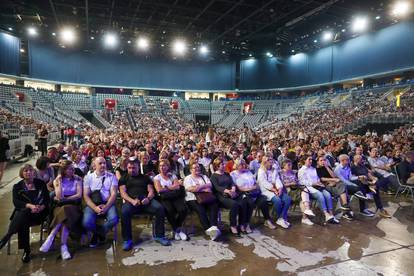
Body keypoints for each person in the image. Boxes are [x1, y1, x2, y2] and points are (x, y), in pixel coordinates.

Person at [0, 164, 49, 263]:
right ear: (22, 173)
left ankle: (8, 237)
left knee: (22, 216)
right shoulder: (17, 186)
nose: (28, 172)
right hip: (25, 213)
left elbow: (47, 199)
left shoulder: (40, 183)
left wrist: (41, 207)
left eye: (30, 170)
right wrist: (30, 206)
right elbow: (16, 202)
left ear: (34, 172)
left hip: (39, 213)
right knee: (24, 217)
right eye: (25, 171)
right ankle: (27, 251)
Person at [119, 158, 171, 251]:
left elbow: (151, 191)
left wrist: (148, 198)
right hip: (132, 202)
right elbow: (123, 193)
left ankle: (159, 236)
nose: (131, 170)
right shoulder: (123, 178)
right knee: (124, 212)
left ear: (138, 167)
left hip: (146, 201)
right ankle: (127, 240)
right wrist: (132, 201)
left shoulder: (145, 178)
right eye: (129, 168)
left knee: (159, 208)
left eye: (134, 168)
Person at [39, 160, 83, 260]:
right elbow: (59, 196)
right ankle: (63, 246)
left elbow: (79, 195)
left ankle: (51, 236)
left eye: (73, 169)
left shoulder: (78, 179)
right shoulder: (57, 181)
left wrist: (66, 199)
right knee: (64, 214)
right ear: (63, 170)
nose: (72, 171)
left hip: (73, 206)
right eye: (69, 169)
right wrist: (59, 182)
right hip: (59, 206)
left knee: (66, 211)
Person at [231, 158, 276, 232]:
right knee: (249, 203)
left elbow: (256, 183)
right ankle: (246, 223)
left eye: (244, 164)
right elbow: (238, 188)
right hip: (243, 194)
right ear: (236, 165)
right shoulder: (233, 174)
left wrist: (255, 187)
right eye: (241, 164)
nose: (243, 166)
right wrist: (250, 189)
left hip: (253, 192)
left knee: (263, 200)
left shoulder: (248, 172)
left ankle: (267, 220)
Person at [82, 157, 119, 247]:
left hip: (108, 203)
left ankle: (97, 235)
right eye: (100, 163)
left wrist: (106, 207)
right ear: (94, 166)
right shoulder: (88, 177)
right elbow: (86, 195)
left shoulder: (111, 176)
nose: (103, 165)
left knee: (114, 219)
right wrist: (95, 208)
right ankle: (100, 233)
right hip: (93, 204)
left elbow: (113, 194)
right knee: (86, 222)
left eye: (104, 163)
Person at [184, 162, 221, 240]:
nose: (197, 169)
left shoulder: (204, 176)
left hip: (206, 197)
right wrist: (204, 187)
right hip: (192, 199)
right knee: (201, 210)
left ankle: (213, 228)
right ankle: (210, 231)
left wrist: (198, 187)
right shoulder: (188, 178)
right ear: (191, 170)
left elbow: (210, 185)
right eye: (194, 168)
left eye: (198, 167)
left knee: (214, 206)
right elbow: (189, 189)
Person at [154, 159, 188, 241]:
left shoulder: (173, 175)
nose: (162, 167)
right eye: (160, 166)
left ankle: (177, 228)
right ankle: (177, 230)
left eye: (164, 165)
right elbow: (159, 190)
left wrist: (166, 188)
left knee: (183, 209)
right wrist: (171, 187)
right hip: (165, 198)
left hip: (175, 197)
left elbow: (177, 187)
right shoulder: (157, 177)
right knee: (169, 210)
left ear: (168, 166)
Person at [298, 155, 338, 224]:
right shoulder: (301, 170)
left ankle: (331, 214)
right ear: (304, 161)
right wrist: (313, 183)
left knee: (328, 195)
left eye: (311, 159)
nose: (311, 161)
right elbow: (302, 182)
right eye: (309, 159)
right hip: (309, 188)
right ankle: (326, 214)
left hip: (317, 186)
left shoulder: (313, 169)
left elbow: (317, 178)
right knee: (320, 195)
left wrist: (319, 182)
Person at [210, 158, 246, 236]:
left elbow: (232, 183)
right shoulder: (214, 176)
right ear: (217, 166)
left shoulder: (226, 173)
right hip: (221, 196)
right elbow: (217, 187)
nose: (224, 165)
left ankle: (241, 224)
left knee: (243, 202)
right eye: (222, 164)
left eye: (223, 164)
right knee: (234, 204)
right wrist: (227, 191)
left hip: (231, 193)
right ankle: (233, 226)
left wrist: (233, 188)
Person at [257, 156, 291, 229]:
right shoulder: (261, 170)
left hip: (276, 188)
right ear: (265, 162)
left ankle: (281, 218)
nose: (271, 161)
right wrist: (273, 189)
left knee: (288, 199)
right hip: (266, 190)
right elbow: (263, 182)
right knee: (277, 200)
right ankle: (281, 218)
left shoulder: (274, 169)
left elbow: (277, 179)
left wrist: (280, 188)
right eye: (269, 160)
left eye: (271, 160)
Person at [280, 159, 315, 225]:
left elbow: (297, 181)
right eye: (288, 165)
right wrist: (291, 184)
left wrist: (296, 182)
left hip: (296, 190)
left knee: (303, 198)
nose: (290, 166)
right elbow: (281, 185)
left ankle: (305, 217)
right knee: (305, 193)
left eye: (291, 165)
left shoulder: (292, 172)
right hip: (288, 191)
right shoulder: (281, 173)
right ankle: (306, 214)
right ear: (284, 166)